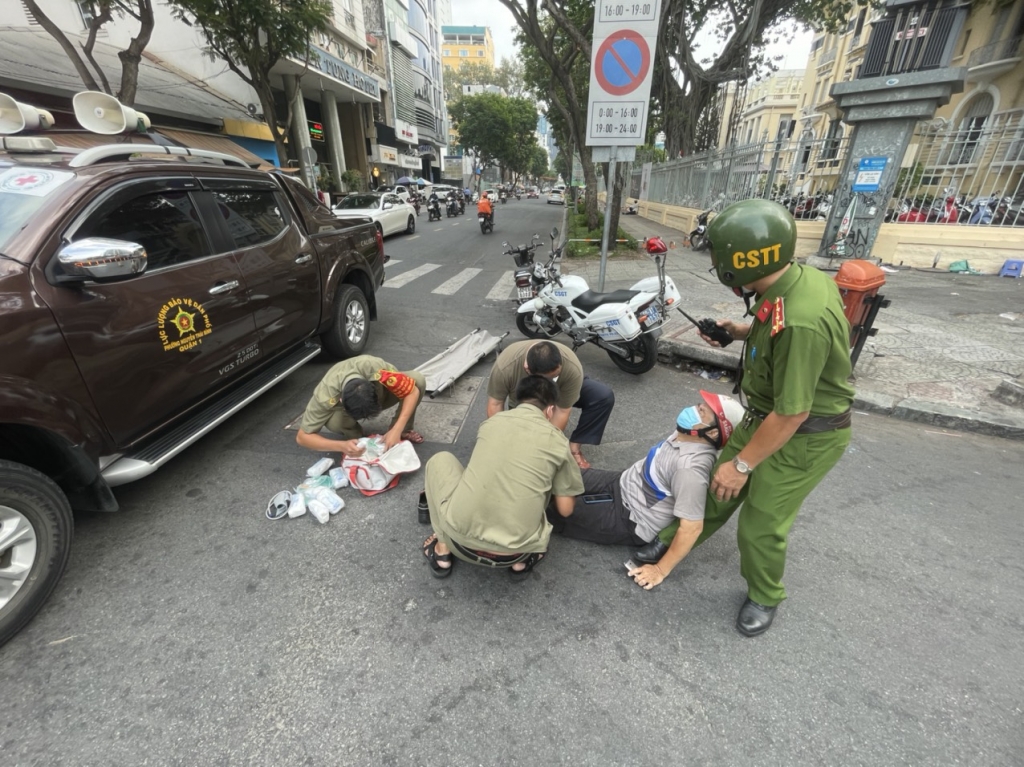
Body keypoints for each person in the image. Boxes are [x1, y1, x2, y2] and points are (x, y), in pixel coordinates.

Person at [633, 199, 855, 636]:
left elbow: (793, 411)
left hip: (804, 435)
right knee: (716, 484)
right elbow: (772, 330)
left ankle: (764, 594)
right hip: (765, 416)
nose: (714, 262)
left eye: (718, 255)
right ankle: (678, 534)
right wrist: (736, 331)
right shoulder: (792, 282)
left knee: (760, 522)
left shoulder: (800, 321)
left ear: (743, 259)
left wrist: (743, 464)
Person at [547, 391, 744, 590]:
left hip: (630, 517)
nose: (693, 410)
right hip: (620, 481)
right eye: (699, 405)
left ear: (712, 433)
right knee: (555, 473)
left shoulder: (690, 470)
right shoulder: (687, 432)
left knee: (549, 508)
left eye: (701, 412)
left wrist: (660, 570)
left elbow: (692, 528)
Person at [421, 375, 584, 577]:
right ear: (550, 409)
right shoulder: (558, 442)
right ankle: (522, 563)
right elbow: (566, 510)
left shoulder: (491, 423)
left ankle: (442, 550)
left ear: (516, 400)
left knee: (440, 459)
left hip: (460, 543)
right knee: (546, 484)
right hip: (515, 553)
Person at [487, 340, 614, 470]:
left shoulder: (570, 366)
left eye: (555, 375)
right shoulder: (506, 367)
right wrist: (504, 440)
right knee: (520, 439)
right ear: (527, 369)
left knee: (602, 396)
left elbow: (562, 411)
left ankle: (574, 447)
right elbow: (495, 404)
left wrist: (545, 446)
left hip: (560, 389)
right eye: (548, 378)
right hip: (526, 397)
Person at [295, 355, 426, 457]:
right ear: (341, 400)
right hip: (344, 410)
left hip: (381, 395)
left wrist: (397, 429)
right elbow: (302, 437)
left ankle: (403, 431)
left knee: (417, 380)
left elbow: (412, 391)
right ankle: (355, 437)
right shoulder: (325, 394)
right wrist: (341, 446)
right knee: (334, 423)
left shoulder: (376, 368)